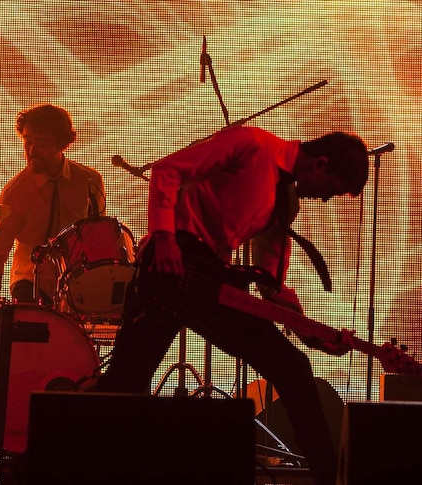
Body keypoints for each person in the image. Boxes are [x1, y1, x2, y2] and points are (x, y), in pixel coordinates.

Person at [96, 126, 368, 485]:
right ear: (320, 163)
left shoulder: (287, 203)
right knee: (121, 387)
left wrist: (313, 335)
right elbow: (166, 170)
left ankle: (330, 478)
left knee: (293, 367)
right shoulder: (252, 144)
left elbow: (271, 288)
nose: (324, 200)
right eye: (331, 190)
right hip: (168, 271)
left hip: (209, 287)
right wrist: (164, 237)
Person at [0, 103, 106, 304]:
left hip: (76, 280)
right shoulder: (16, 191)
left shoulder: (89, 181)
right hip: (29, 280)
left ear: (62, 143)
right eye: (27, 141)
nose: (31, 150)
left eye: (42, 142)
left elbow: (98, 235)